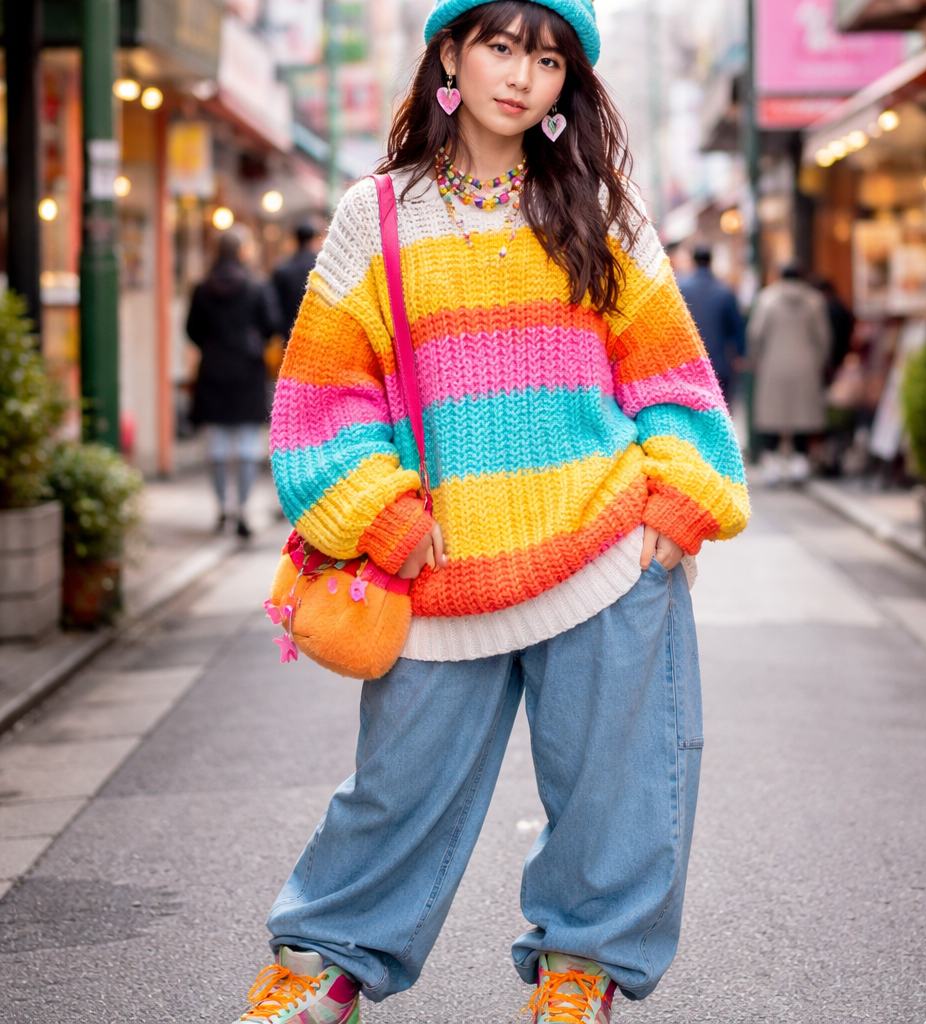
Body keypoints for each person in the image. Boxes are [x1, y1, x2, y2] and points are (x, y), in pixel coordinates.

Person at [235, 3, 749, 1022]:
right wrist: (380, 512)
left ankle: (580, 973)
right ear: (451, 55)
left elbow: (673, 379)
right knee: (395, 787)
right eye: (502, 48)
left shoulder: (602, 212)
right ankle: (322, 965)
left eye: (548, 59)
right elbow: (321, 400)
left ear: (567, 83)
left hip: (605, 552)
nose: (521, 76)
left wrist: (675, 505)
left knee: (616, 786)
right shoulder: (376, 214)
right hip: (437, 566)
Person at [186, 228, 280, 538]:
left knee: (216, 444)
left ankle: (222, 507)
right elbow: (271, 324)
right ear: (242, 251)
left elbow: (192, 329)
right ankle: (242, 508)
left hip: (212, 369)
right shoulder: (256, 286)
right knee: (247, 444)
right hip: (247, 372)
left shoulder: (202, 288)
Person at [746, 263, 831, 485]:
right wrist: (819, 361)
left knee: (772, 415)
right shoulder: (815, 300)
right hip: (806, 365)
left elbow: (755, 333)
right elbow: (823, 337)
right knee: (803, 415)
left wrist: (756, 357)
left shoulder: (766, 299)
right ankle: (799, 462)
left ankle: (772, 462)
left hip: (773, 364)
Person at [675, 244, 745, 402]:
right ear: (711, 260)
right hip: (719, 364)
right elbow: (737, 329)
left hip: (687, 364)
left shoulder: (680, 289)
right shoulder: (725, 291)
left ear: (693, 260)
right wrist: (740, 354)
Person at [272, 222, 319, 340]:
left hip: (290, 333)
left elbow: (275, 306)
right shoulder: (321, 268)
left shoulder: (282, 269)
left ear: (295, 240)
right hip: (317, 332)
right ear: (313, 239)